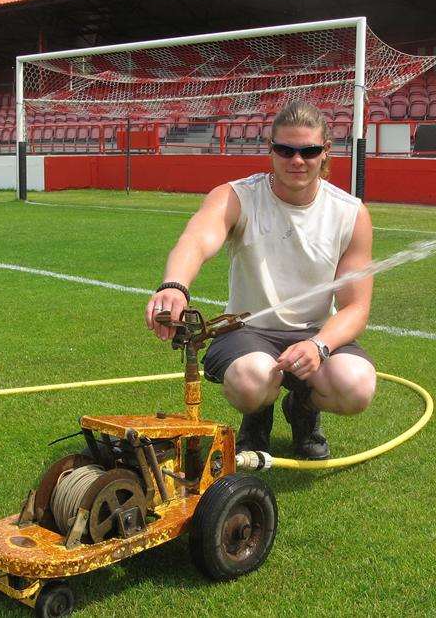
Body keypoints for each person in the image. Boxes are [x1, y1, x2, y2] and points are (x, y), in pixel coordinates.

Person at [145, 100, 376, 460]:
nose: (296, 160)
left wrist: (319, 346)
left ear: (325, 152)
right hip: (246, 332)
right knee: (252, 380)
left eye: (308, 151)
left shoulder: (351, 213)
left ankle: (301, 409)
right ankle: (257, 416)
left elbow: (356, 307)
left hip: (313, 333)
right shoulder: (237, 196)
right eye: (285, 150)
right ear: (271, 150)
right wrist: (174, 286)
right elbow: (196, 240)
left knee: (357, 387)